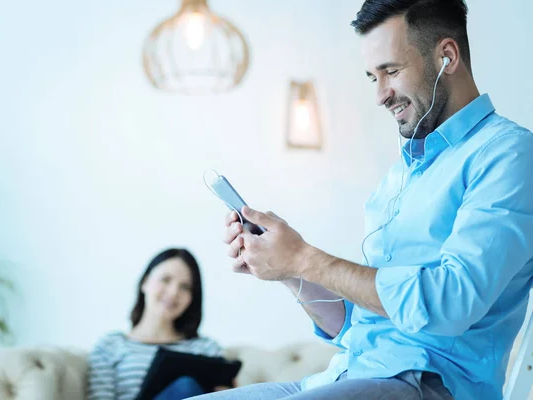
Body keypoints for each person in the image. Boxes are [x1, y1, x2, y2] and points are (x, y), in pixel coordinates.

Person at [188, 1, 533, 399]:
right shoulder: (400, 176)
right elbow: (353, 327)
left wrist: (305, 257)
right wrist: (287, 269)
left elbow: (450, 301)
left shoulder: (509, 155)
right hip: (347, 374)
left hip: (431, 386)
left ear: (446, 56)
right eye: (373, 77)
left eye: (391, 71)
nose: (381, 95)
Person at [87, 248, 226, 400]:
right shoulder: (110, 346)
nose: (173, 292)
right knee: (186, 386)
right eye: (166, 280)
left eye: (185, 287)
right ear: (145, 282)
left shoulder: (206, 348)